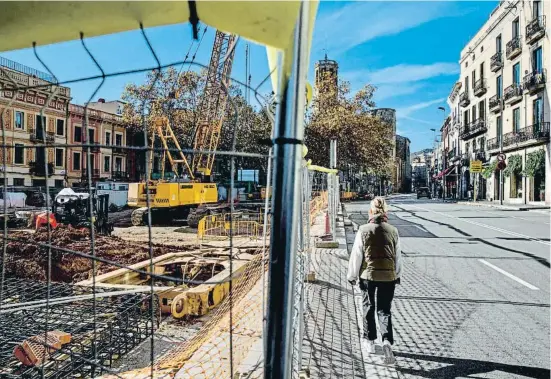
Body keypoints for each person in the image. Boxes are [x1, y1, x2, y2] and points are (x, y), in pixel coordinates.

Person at [347, 197, 402, 364]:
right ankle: (386, 341)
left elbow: (357, 255)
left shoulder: (363, 230)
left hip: (368, 276)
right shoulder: (393, 231)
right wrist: (396, 274)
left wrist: (351, 276)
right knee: (384, 310)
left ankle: (369, 341)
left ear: (370, 212)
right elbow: (397, 257)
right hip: (388, 277)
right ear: (386, 212)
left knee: (368, 307)